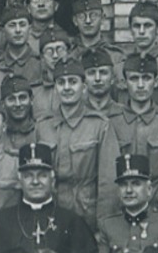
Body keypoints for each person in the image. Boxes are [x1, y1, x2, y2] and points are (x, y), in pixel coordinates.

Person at [37, 55, 119, 224]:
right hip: (52, 215)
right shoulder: (42, 127)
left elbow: (108, 183)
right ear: (55, 88)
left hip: (87, 215)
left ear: (84, 87)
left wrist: (104, 226)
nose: (67, 88)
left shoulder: (99, 125)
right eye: (61, 82)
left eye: (73, 82)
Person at [109, 53, 158, 211]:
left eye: (147, 78)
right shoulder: (112, 122)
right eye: (134, 79)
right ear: (125, 82)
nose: (141, 85)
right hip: (121, 207)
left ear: (156, 82)